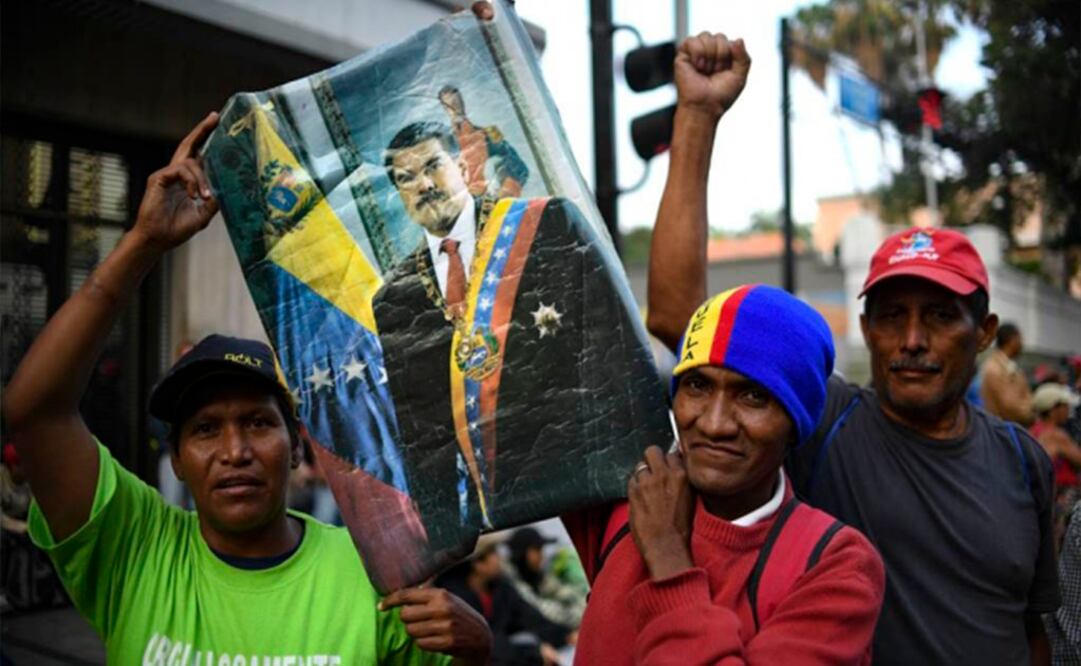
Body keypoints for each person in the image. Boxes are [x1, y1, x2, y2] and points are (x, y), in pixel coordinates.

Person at [1, 114, 492, 664]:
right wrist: (143, 243)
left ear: (298, 443)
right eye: (206, 429)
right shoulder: (133, 549)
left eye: (258, 423)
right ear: (179, 461)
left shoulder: (380, 577)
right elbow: (34, 410)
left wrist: (475, 656)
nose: (235, 452)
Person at [644, 34, 1060, 663]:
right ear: (867, 331)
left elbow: (1032, 631)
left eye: (940, 316)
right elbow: (682, 318)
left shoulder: (1024, 463)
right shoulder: (824, 425)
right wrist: (697, 118)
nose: (912, 340)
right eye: (892, 316)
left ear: (983, 331)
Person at [372, 119, 669, 554]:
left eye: (433, 166)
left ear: (461, 164)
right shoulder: (393, 299)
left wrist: (650, 472)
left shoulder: (547, 223)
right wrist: (443, 543)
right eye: (406, 178)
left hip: (599, 495)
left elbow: (618, 356)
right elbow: (422, 438)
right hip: (495, 519)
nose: (424, 185)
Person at [437, 536, 574, 666]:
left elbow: (530, 618)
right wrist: (533, 653)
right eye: (494, 552)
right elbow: (482, 644)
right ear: (478, 563)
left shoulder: (501, 588)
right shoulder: (452, 600)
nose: (500, 557)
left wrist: (566, 634)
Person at [439, 85, 529, 199]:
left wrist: (502, 189)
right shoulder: (444, 145)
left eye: (456, 102)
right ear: (445, 108)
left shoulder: (489, 133)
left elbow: (520, 167)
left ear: (462, 103)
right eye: (448, 105)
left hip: (492, 200)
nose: (454, 108)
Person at [504, 527, 586, 628]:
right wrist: (583, 614)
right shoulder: (510, 582)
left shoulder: (537, 576)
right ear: (522, 553)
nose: (542, 555)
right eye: (537, 550)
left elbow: (564, 592)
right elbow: (542, 611)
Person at [1031, 383, 1081, 546]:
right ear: (1054, 409)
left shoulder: (1033, 430)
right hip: (1061, 498)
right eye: (1065, 406)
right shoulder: (1056, 435)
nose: (1068, 410)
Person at [981, 321, 1035, 424]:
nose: (1022, 343)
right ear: (1012, 340)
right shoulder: (995, 368)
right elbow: (1011, 408)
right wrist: (1032, 409)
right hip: (1001, 432)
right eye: (1020, 339)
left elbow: (1026, 396)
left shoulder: (1010, 366)